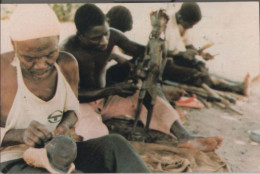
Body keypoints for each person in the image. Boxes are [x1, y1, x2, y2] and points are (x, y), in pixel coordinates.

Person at [0, 4, 150, 173]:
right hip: (13, 159)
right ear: (14, 45)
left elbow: (72, 109)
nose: (41, 66)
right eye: (29, 58)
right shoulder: (3, 71)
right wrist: (20, 135)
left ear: (57, 39)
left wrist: (64, 126)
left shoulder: (67, 64)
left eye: (50, 55)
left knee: (116, 145)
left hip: (57, 153)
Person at [61, 3, 223, 152]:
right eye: (96, 38)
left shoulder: (113, 36)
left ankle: (184, 136)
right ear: (80, 35)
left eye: (105, 34)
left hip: (105, 98)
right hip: (79, 106)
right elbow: (74, 95)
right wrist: (113, 89)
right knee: (99, 138)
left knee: (146, 98)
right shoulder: (67, 53)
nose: (104, 42)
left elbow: (145, 53)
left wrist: (157, 33)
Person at [164, 2, 249, 96]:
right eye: (190, 24)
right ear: (180, 18)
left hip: (175, 59)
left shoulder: (183, 24)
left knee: (200, 66)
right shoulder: (165, 26)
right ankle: (235, 88)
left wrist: (201, 54)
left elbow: (188, 46)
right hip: (164, 65)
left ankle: (232, 86)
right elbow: (158, 53)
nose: (191, 27)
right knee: (195, 74)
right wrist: (181, 54)